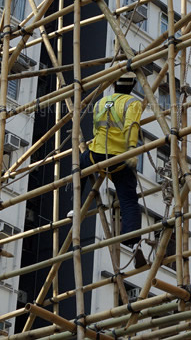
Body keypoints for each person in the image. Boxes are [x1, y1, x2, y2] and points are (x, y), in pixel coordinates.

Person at [79, 72, 146, 268]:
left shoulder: (102, 102)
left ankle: (76, 207)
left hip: (96, 155)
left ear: (114, 85)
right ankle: (133, 242)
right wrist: (132, 151)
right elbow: (131, 127)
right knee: (129, 201)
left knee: (79, 168)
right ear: (133, 86)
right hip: (119, 159)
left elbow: (95, 130)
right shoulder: (132, 103)